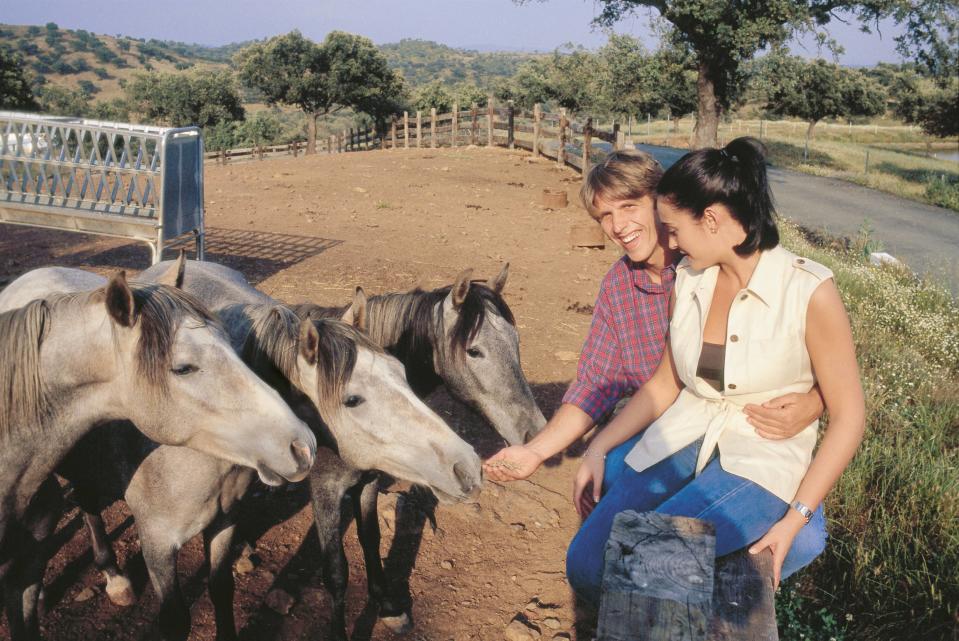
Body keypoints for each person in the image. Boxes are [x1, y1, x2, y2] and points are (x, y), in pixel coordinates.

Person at [484, 147, 831, 595]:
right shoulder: (622, 285)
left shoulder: (731, 260)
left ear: (666, 201)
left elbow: (816, 358)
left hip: (752, 436)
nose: (617, 227)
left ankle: (691, 574)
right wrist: (538, 451)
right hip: (672, 428)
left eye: (628, 206)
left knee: (805, 539)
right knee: (605, 503)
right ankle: (670, 566)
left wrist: (816, 399)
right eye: (603, 217)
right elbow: (597, 384)